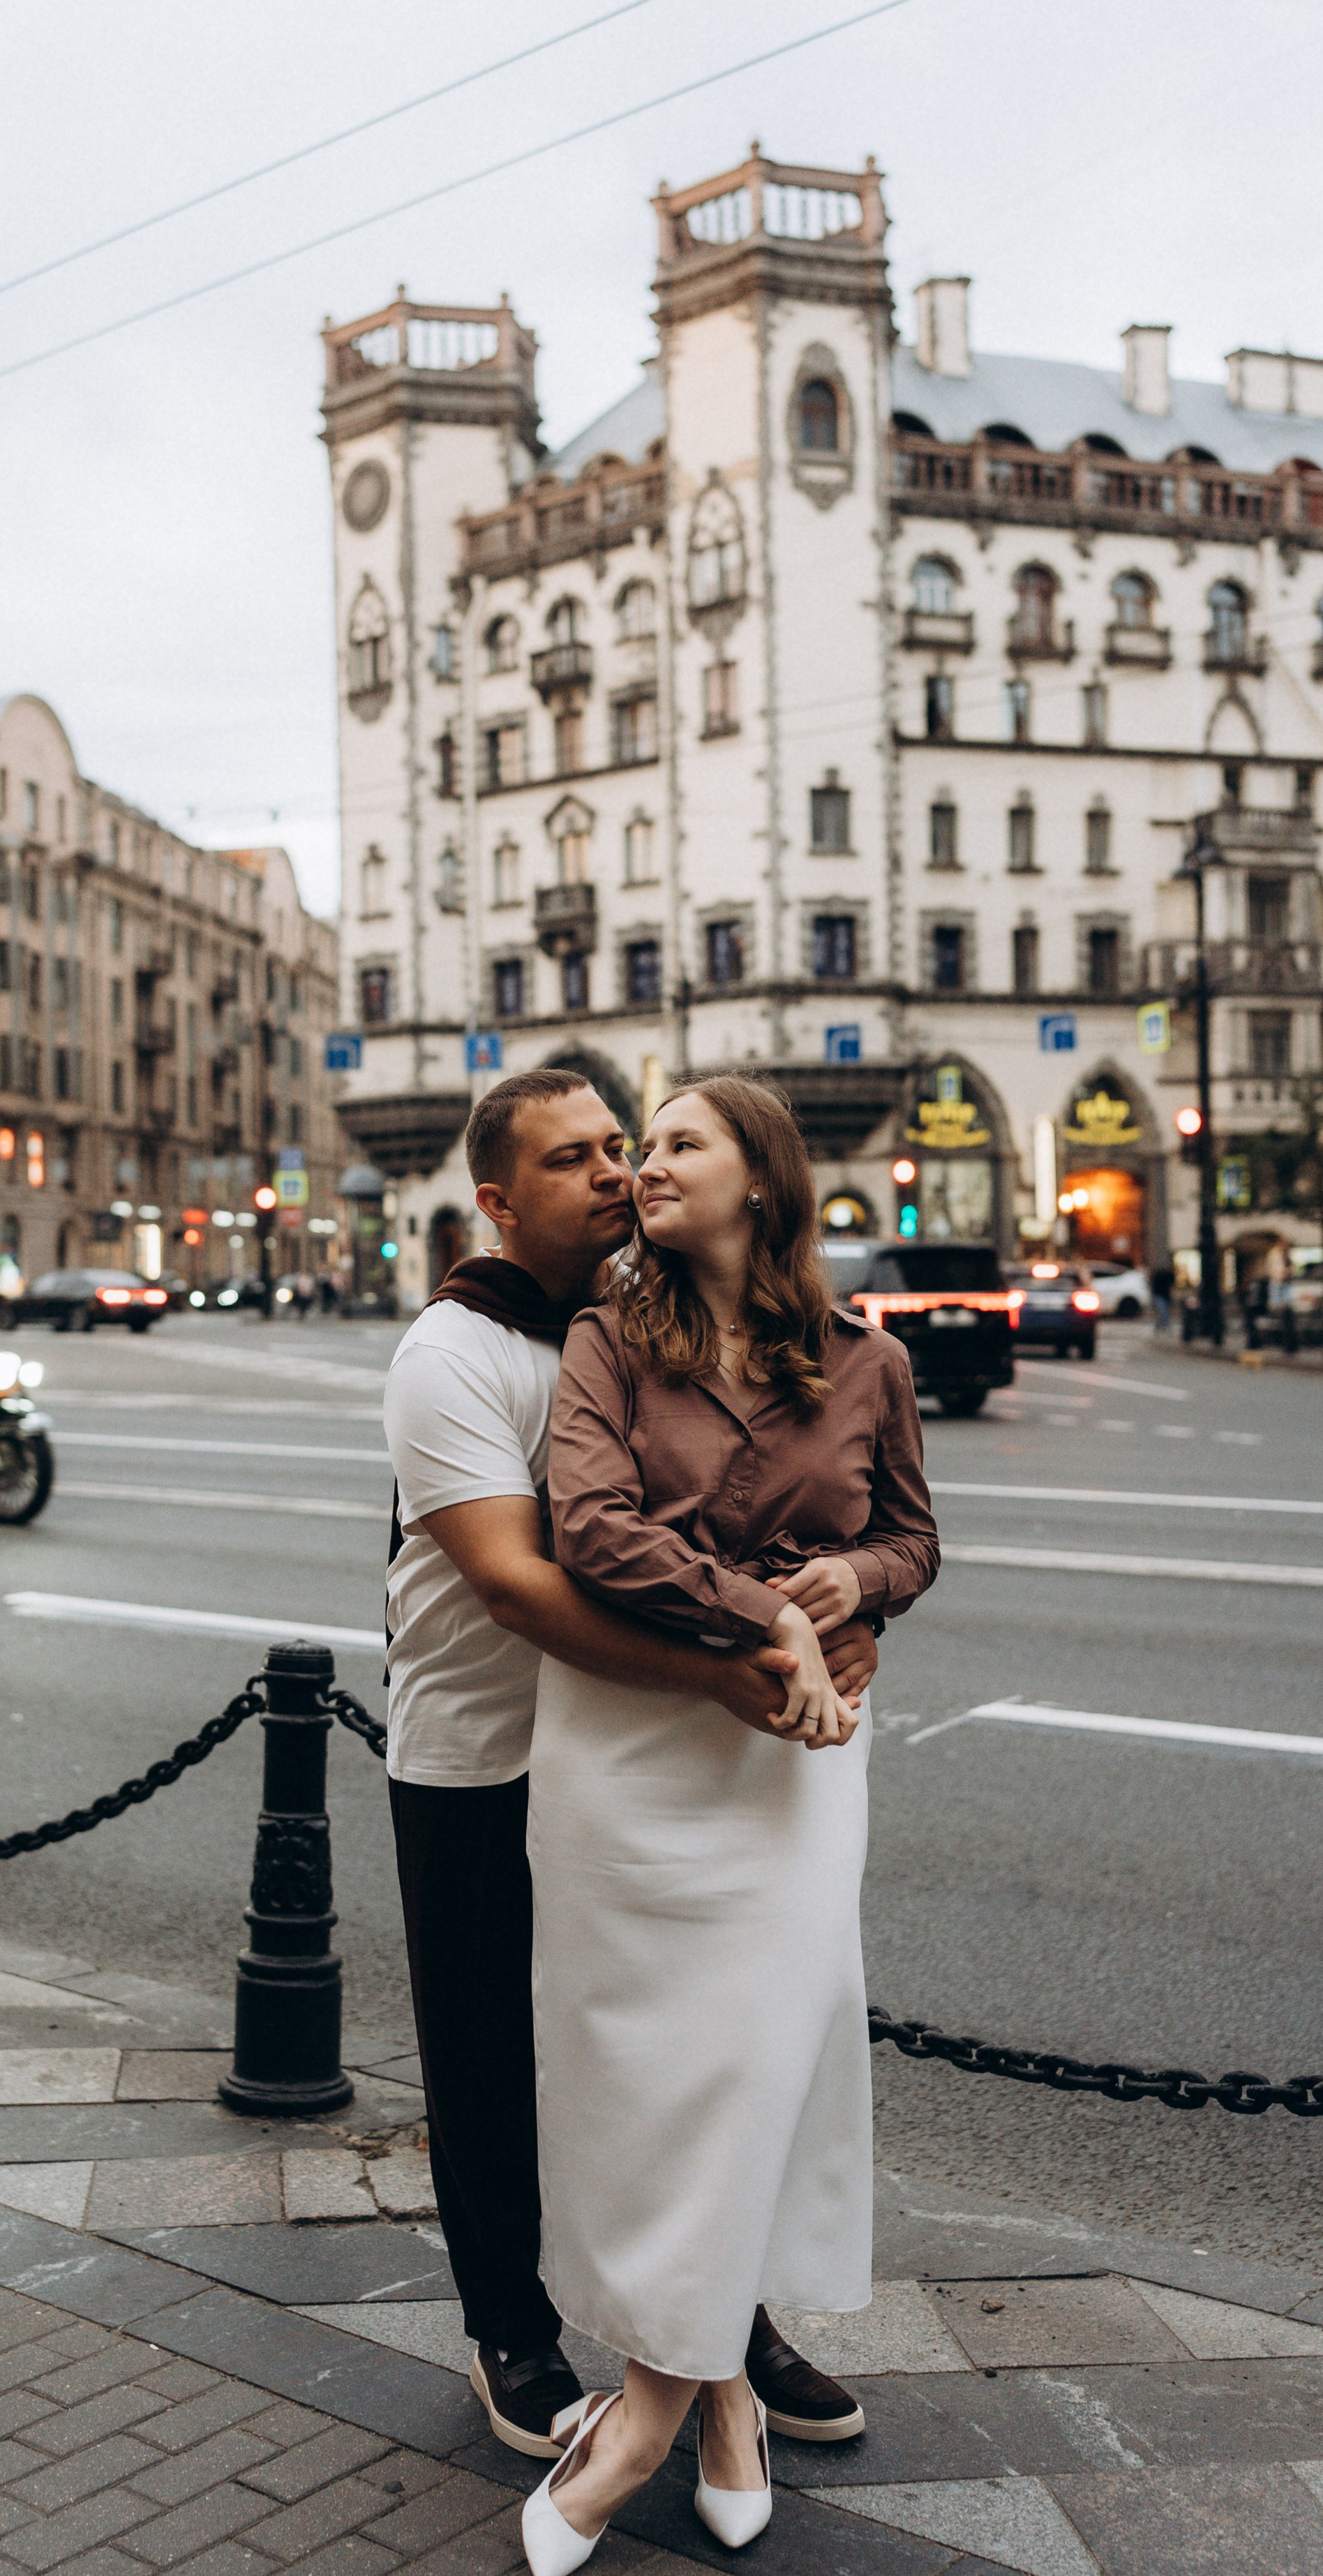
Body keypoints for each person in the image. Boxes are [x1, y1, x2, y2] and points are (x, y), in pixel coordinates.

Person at [382, 1070, 881, 2466]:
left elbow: (794, 1506)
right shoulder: (452, 1352)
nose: (612, 1173)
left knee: (689, 2052)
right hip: (483, 1750)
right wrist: (731, 1669)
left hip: (634, 1750)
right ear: (494, 1198)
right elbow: (517, 1590)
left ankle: (719, 2323)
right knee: (491, 2059)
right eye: (571, 1159)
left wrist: (844, 1621)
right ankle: (511, 2333)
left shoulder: (644, 1321)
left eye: (622, 1146)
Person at [518, 1076, 939, 2568]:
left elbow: (910, 1533)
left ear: (759, 1179)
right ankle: (709, 2408)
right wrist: (770, 1604)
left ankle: (655, 2408)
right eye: (639, 1147)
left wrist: (861, 1586)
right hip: (634, 1749)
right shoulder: (604, 1342)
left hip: (798, 1762)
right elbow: (591, 1529)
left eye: (676, 1144)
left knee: (764, 2061)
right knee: (641, 2078)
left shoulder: (863, 1361)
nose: (641, 1166)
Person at [1149, 1257, 1174, 1331]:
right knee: (1163, 1310)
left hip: (1166, 1295)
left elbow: (1172, 1282)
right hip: (1159, 1295)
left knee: (1165, 1311)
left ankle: (1161, 1325)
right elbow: (1154, 1285)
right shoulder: (1157, 1275)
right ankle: (1164, 1325)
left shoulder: (1168, 1274)